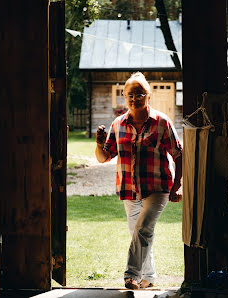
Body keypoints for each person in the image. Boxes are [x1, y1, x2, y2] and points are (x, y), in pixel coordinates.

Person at [95, 72, 183, 290]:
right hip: (129, 189)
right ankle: (149, 276)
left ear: (149, 96)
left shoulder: (162, 122)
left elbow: (179, 154)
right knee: (141, 234)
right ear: (124, 97)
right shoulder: (118, 124)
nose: (134, 98)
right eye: (129, 94)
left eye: (139, 94)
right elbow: (104, 157)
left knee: (142, 230)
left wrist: (178, 185)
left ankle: (130, 276)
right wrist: (99, 144)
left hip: (158, 187)